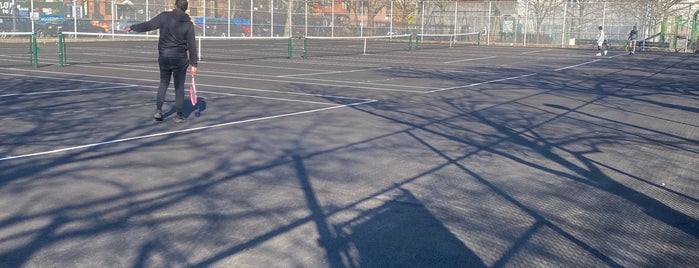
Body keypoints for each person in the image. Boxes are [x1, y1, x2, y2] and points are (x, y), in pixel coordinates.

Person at [124, 0, 198, 123]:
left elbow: (148, 25)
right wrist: (194, 64)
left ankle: (158, 111)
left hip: (164, 56)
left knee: (163, 83)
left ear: (175, 6)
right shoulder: (188, 24)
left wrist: (132, 28)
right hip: (180, 59)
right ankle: (179, 115)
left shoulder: (164, 17)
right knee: (179, 87)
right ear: (186, 9)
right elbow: (192, 45)